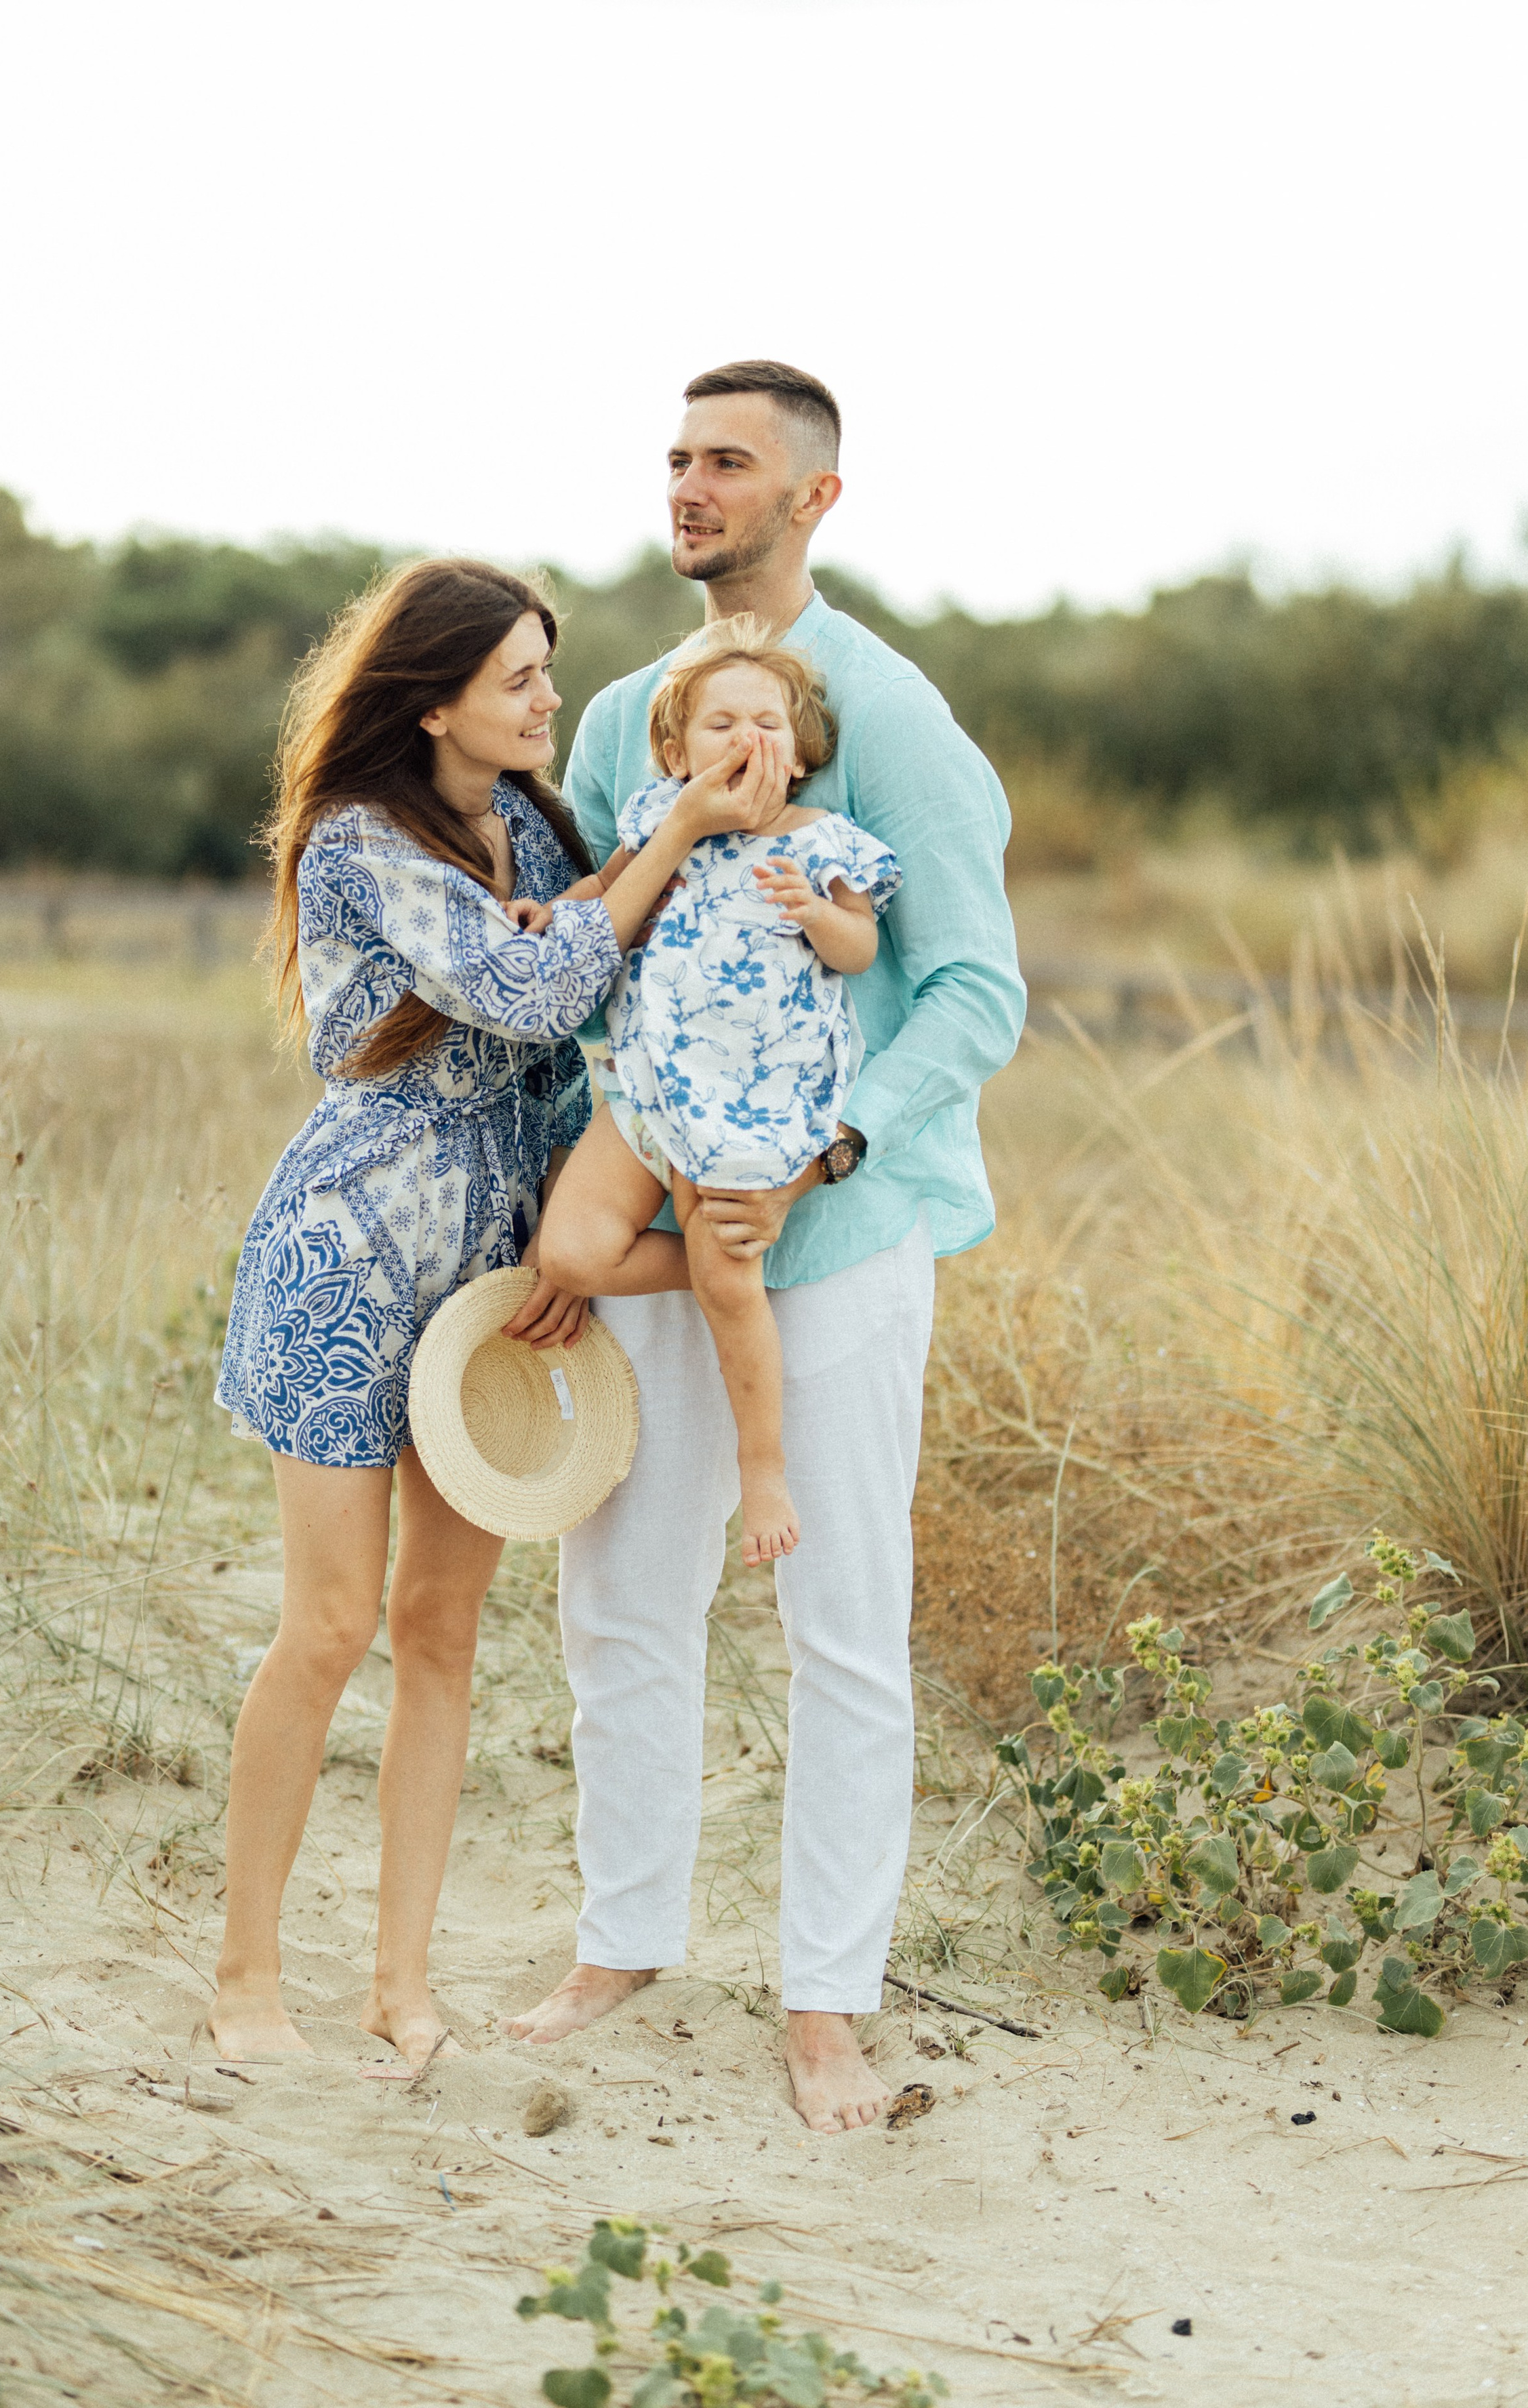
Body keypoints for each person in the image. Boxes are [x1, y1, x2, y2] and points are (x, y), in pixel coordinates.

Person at [504, 361, 1026, 2131]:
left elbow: (973, 986)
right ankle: (623, 1939)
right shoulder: (629, 720)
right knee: (622, 1594)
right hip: (658, 1205)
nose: (689, 486)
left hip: (849, 1222)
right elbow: (589, 960)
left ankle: (825, 2006)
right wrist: (597, 1179)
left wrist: (831, 1145)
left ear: (816, 496)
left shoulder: (893, 717)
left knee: (842, 1618)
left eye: (727, 461)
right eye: (675, 458)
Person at [209, 556, 772, 2070]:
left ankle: (401, 1984)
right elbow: (525, 992)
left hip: (488, 1282)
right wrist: (668, 844)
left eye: (546, 669)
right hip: (345, 1266)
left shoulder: (525, 823)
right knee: (327, 1629)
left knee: (439, 1628)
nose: (544, 698)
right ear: (435, 697)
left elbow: (594, 968)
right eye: (518, 677)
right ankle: (246, 1978)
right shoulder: (351, 843)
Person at [527, 617, 899, 1566]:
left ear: (802, 747)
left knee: (729, 1281)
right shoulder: (661, 819)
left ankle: (763, 1465)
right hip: (647, 1083)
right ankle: (706, 1260)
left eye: (768, 723)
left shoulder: (826, 844)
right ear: (676, 751)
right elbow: (609, 890)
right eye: (722, 723)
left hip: (753, 1101)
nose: (748, 740)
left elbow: (860, 949)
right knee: (567, 1255)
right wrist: (550, 916)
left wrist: (819, 915)